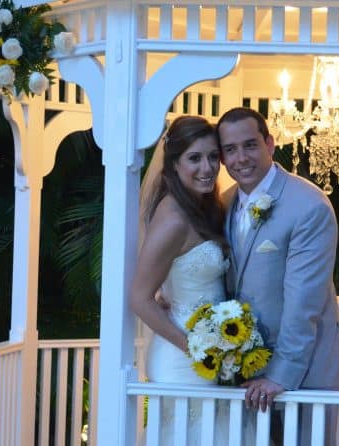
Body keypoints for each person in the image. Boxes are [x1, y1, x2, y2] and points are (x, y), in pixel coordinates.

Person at [218, 107, 339, 443]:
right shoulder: (224, 202)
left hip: (305, 376)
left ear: (270, 144)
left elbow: (304, 301)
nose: (240, 158)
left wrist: (281, 376)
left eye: (250, 145)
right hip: (245, 376)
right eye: (230, 150)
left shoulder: (309, 205)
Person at [129, 115, 231, 445]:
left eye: (213, 157)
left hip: (208, 355)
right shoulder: (173, 219)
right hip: (182, 359)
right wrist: (193, 347)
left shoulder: (203, 208)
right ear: (174, 164)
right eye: (194, 158)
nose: (207, 167)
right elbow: (140, 298)